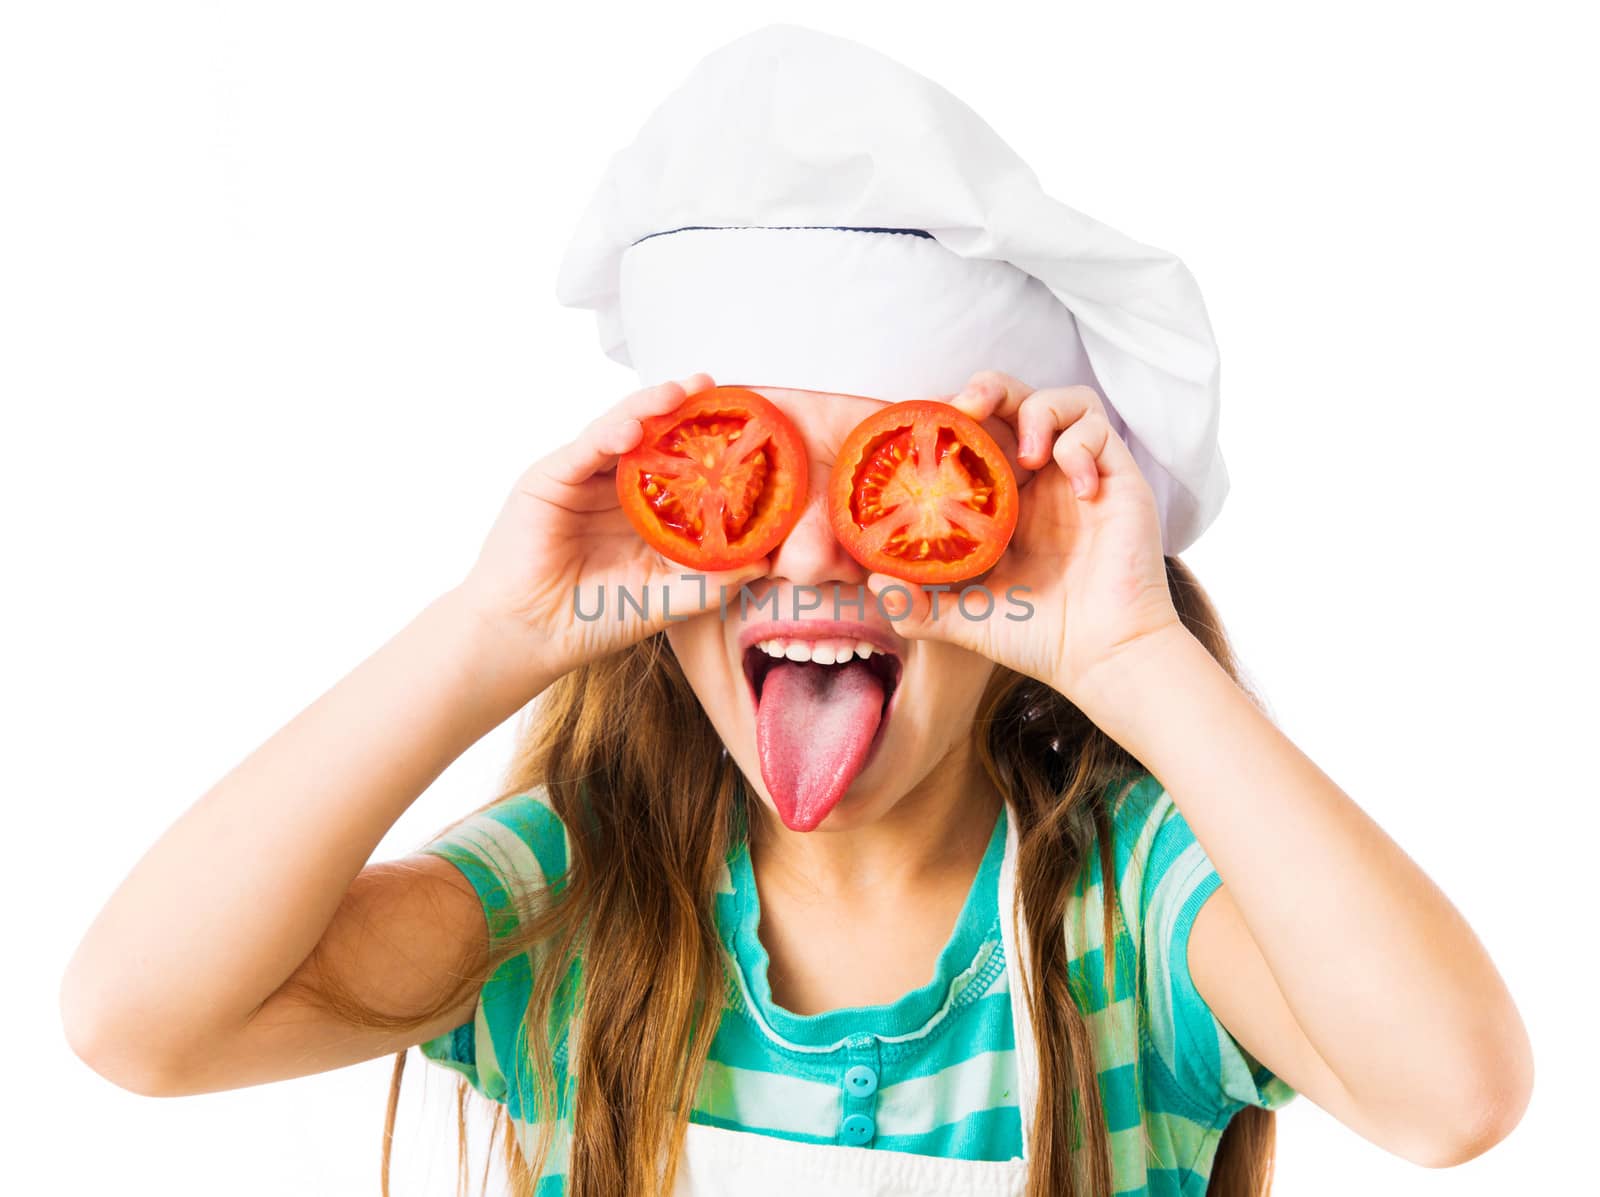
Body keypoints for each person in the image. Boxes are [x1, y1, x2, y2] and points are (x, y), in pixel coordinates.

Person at [59, 23, 1532, 1197]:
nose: (819, 558)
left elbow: (1452, 1096)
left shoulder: (1129, 912)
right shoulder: (581, 896)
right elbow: (140, 1019)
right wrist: (487, 633)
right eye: (740, 484)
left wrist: (1135, 655)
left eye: (903, 488)